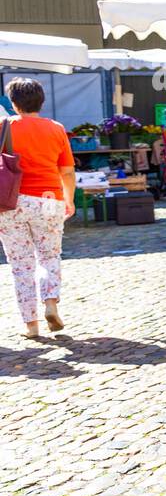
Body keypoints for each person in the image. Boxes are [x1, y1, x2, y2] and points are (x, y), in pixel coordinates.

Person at [0, 78, 75, 338]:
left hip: (10, 202)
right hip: (48, 198)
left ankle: (31, 326)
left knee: (21, 264)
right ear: (41, 101)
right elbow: (66, 171)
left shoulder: (3, 127)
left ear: (13, 102)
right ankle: (51, 302)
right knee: (49, 255)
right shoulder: (56, 128)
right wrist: (69, 198)